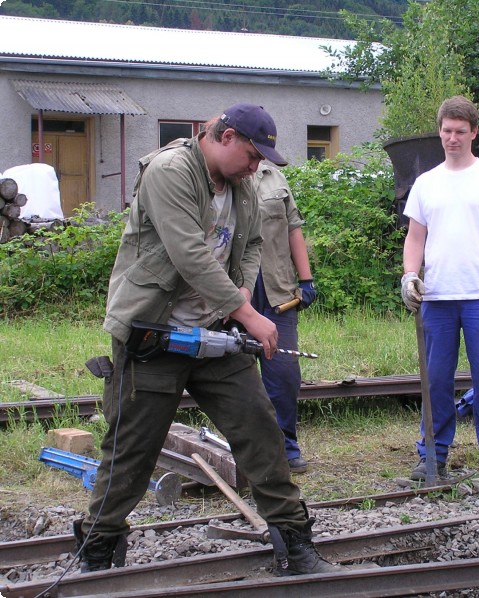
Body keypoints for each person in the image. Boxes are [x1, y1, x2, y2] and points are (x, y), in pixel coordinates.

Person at [73, 103, 338, 577]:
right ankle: (95, 551)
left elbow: (254, 241)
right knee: (131, 449)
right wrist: (250, 313)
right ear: (226, 136)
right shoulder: (170, 171)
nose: (257, 167)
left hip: (216, 334)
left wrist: (239, 287)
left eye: (261, 162)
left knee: (261, 432)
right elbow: (188, 253)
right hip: (154, 335)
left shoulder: (244, 185)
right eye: (253, 156)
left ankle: (296, 546)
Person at [400, 95, 479, 483]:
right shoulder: (426, 183)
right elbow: (415, 237)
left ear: (473, 133)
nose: (452, 138)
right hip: (436, 297)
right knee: (435, 379)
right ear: (440, 132)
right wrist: (409, 275)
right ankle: (432, 456)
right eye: (446, 131)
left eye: (460, 131)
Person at [252, 159, 317, 474]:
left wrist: (306, 280)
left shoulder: (273, 178)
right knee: (230, 376)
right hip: (231, 293)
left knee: (284, 374)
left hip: (277, 293)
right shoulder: (212, 175)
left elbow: (293, 229)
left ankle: (285, 446)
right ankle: (245, 449)